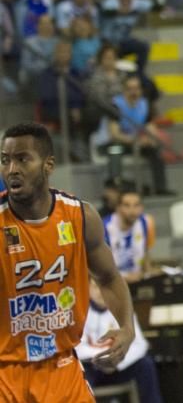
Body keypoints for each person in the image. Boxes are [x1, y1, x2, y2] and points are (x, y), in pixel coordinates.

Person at [0, 122, 135, 401]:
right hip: (4, 370)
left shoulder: (81, 216)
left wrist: (127, 328)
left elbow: (108, 277)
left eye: (22, 159)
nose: (11, 169)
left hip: (61, 365)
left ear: (48, 165)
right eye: (5, 160)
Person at [77, 278, 163, 402]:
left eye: (104, 287)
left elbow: (140, 345)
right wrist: (104, 357)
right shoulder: (79, 311)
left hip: (119, 367)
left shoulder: (123, 311)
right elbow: (76, 347)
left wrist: (118, 361)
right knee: (77, 372)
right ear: (88, 289)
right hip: (91, 367)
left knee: (146, 365)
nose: (101, 292)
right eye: (96, 287)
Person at [102, 185, 156, 283]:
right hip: (112, 283)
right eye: (127, 205)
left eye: (136, 205)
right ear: (118, 207)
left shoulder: (146, 222)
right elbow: (100, 267)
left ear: (142, 207)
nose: (132, 211)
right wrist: (125, 278)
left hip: (138, 280)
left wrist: (148, 274)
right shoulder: (105, 227)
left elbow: (146, 254)